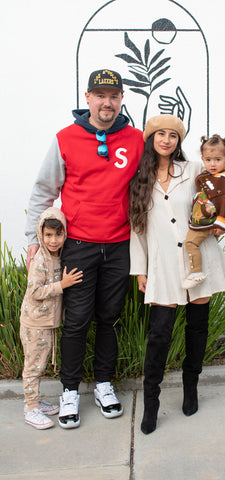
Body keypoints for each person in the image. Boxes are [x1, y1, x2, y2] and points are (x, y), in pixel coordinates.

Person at [25, 69, 144, 429]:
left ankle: (104, 385)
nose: (106, 102)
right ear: (88, 98)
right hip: (77, 246)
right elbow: (43, 191)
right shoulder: (66, 138)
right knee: (75, 322)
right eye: (99, 95)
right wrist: (33, 242)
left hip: (119, 245)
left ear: (121, 99)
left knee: (109, 318)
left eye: (113, 96)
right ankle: (70, 391)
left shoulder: (136, 139)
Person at [129, 114, 225, 435]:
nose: (166, 140)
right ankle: (151, 403)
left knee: (197, 329)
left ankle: (191, 387)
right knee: (159, 335)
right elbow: (138, 229)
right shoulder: (139, 178)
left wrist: (220, 223)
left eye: (172, 135)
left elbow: (221, 194)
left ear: (178, 141)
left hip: (198, 259)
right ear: (151, 138)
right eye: (160, 134)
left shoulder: (193, 170)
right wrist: (140, 269)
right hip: (162, 264)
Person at [21, 207, 83, 429]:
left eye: (58, 234)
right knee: (34, 366)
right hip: (35, 323)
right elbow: (35, 292)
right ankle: (31, 408)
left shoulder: (58, 257)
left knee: (41, 362)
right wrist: (62, 285)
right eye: (48, 235)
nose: (53, 240)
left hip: (46, 323)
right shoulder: (40, 260)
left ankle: (35, 402)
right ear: (40, 234)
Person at [182, 134, 225, 289]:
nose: (212, 164)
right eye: (208, 160)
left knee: (191, 242)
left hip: (209, 220)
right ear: (203, 159)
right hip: (203, 215)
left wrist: (222, 224)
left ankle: (196, 274)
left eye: (217, 159)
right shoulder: (210, 176)